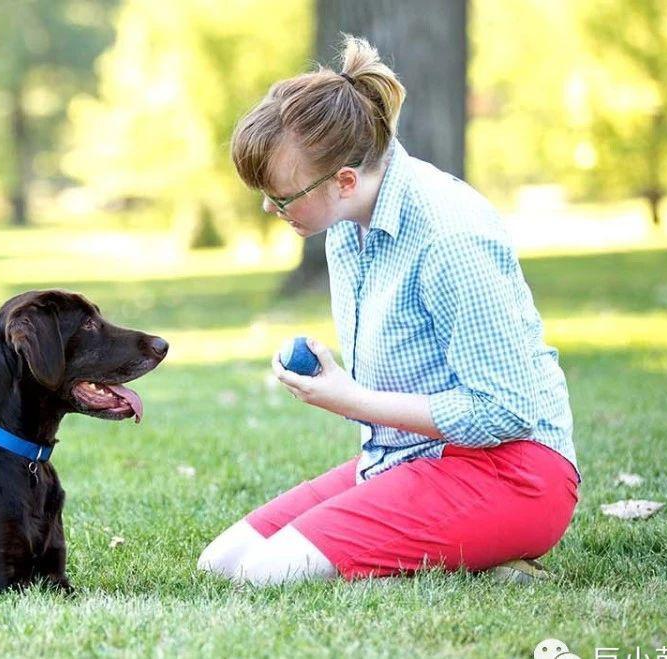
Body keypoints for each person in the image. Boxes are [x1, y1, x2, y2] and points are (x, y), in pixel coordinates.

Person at [197, 36, 580, 585]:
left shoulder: (449, 238)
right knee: (222, 565)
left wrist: (352, 399)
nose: (269, 208)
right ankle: (468, 554)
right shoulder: (346, 224)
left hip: (514, 472)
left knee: (268, 575)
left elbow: (506, 411)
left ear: (344, 181)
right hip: (407, 459)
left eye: (281, 197)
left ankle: (486, 551)